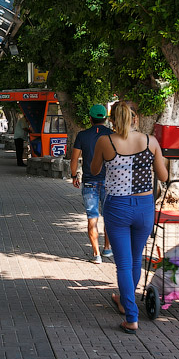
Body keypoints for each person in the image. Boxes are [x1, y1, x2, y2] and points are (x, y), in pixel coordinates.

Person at [91, 103, 168, 332]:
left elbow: (95, 170)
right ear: (135, 119)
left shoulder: (106, 141)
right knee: (136, 260)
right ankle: (126, 302)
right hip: (144, 207)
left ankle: (131, 315)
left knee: (123, 263)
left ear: (112, 119)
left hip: (117, 207)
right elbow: (163, 176)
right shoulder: (150, 141)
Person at [70, 104, 115, 264]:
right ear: (105, 118)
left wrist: (74, 175)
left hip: (89, 182)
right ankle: (107, 248)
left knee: (92, 217)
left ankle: (96, 254)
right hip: (109, 182)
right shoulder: (112, 135)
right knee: (109, 216)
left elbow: (74, 158)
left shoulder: (82, 135)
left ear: (90, 118)